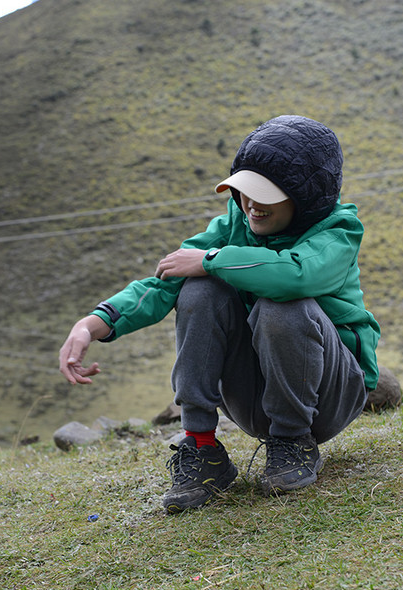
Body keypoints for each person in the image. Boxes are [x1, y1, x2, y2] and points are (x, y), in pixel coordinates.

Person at [58, 115, 381, 513]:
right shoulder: (234, 224)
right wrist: (94, 323)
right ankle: (202, 448)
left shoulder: (339, 230)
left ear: (306, 196)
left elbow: (297, 275)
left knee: (281, 301)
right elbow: (166, 280)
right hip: (255, 396)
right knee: (199, 287)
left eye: (266, 194)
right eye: (245, 190)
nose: (250, 204)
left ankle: (294, 442)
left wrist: (212, 258)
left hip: (329, 396)